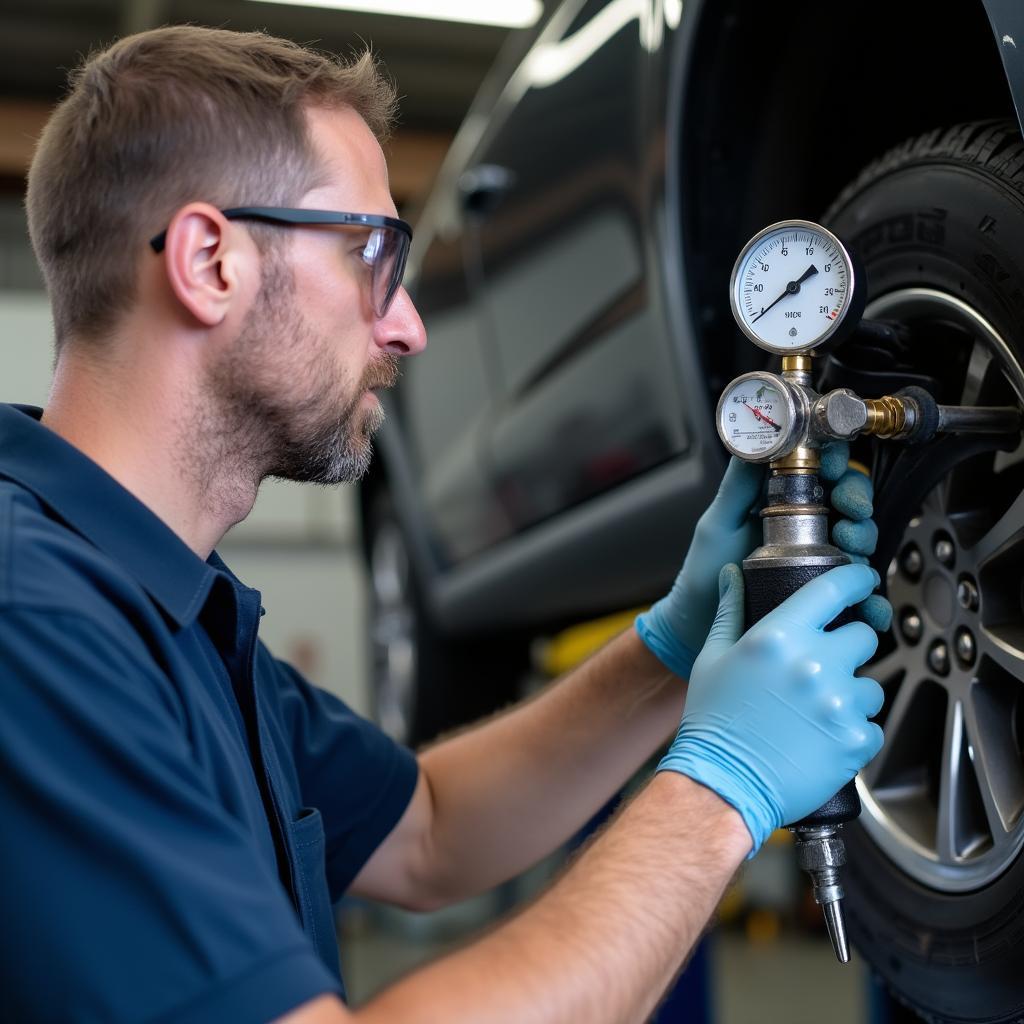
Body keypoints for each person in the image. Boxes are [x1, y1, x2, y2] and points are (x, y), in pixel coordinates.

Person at [0, 25, 891, 1024]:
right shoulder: (31, 620)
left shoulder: (171, 610)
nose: (408, 325)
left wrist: (671, 648)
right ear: (211, 261)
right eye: (370, 254)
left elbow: (428, 829)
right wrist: (720, 792)